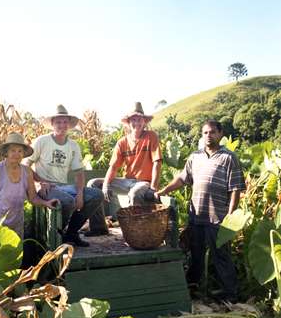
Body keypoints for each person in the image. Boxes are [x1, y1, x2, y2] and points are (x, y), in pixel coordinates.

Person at [155, 119, 246, 303]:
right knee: (195, 253)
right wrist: (164, 191)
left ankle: (230, 294)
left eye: (212, 132)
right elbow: (181, 179)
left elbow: (235, 189)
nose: (208, 136)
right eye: (205, 133)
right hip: (196, 216)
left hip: (218, 217)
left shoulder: (228, 158)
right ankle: (193, 289)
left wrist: (230, 216)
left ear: (220, 134)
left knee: (221, 256)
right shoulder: (195, 157)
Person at [24, 104, 104, 247]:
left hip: (63, 187)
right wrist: (40, 182)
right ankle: (56, 236)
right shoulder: (42, 141)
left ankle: (71, 234)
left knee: (96, 195)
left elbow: (79, 173)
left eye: (65, 122)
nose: (62, 125)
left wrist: (79, 193)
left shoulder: (73, 146)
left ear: (69, 124)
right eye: (58, 122)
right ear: (53, 124)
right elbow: (25, 165)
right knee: (67, 201)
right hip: (44, 188)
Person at [86, 102, 162, 236]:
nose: (136, 122)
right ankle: (98, 228)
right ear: (128, 122)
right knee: (93, 184)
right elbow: (114, 167)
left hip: (144, 182)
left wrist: (154, 188)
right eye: (133, 119)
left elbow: (157, 163)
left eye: (139, 119)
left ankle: (136, 233)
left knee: (134, 194)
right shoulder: (122, 142)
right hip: (127, 181)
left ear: (144, 121)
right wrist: (105, 185)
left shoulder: (151, 137)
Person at [0, 132, 57, 239]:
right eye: (13, 150)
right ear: (6, 153)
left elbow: (33, 197)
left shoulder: (27, 171)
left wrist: (45, 203)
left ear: (23, 154)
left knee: (16, 254)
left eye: (20, 151)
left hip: (16, 225)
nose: (17, 154)